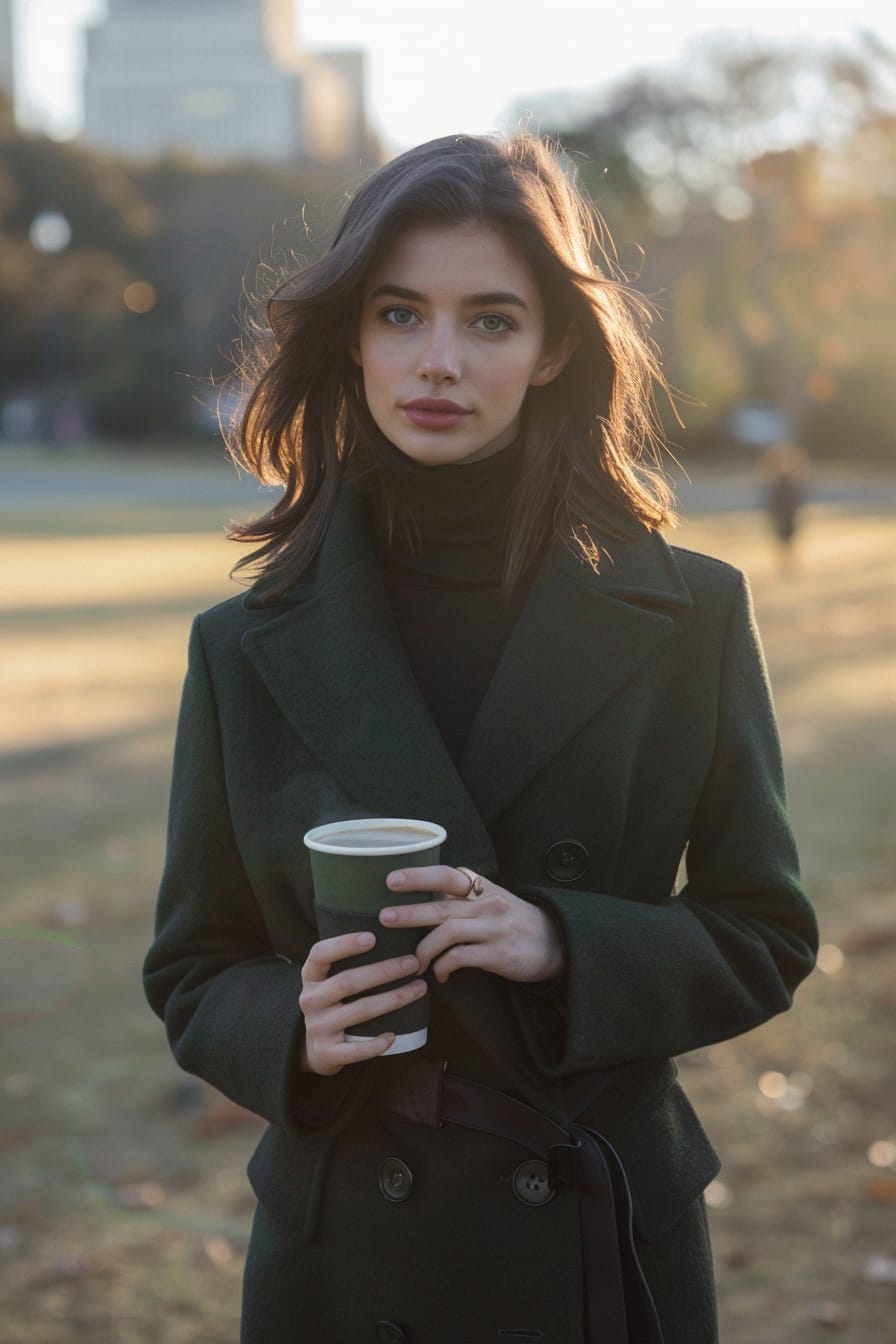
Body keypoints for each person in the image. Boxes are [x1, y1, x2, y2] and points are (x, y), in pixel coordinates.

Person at [143, 133, 818, 1344]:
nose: (437, 361)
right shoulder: (240, 645)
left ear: (554, 345)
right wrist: (292, 1028)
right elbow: (194, 967)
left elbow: (762, 935)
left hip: (595, 1235)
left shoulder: (690, 615)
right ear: (352, 335)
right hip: (349, 1248)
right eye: (400, 314)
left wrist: (562, 940)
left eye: (490, 321)